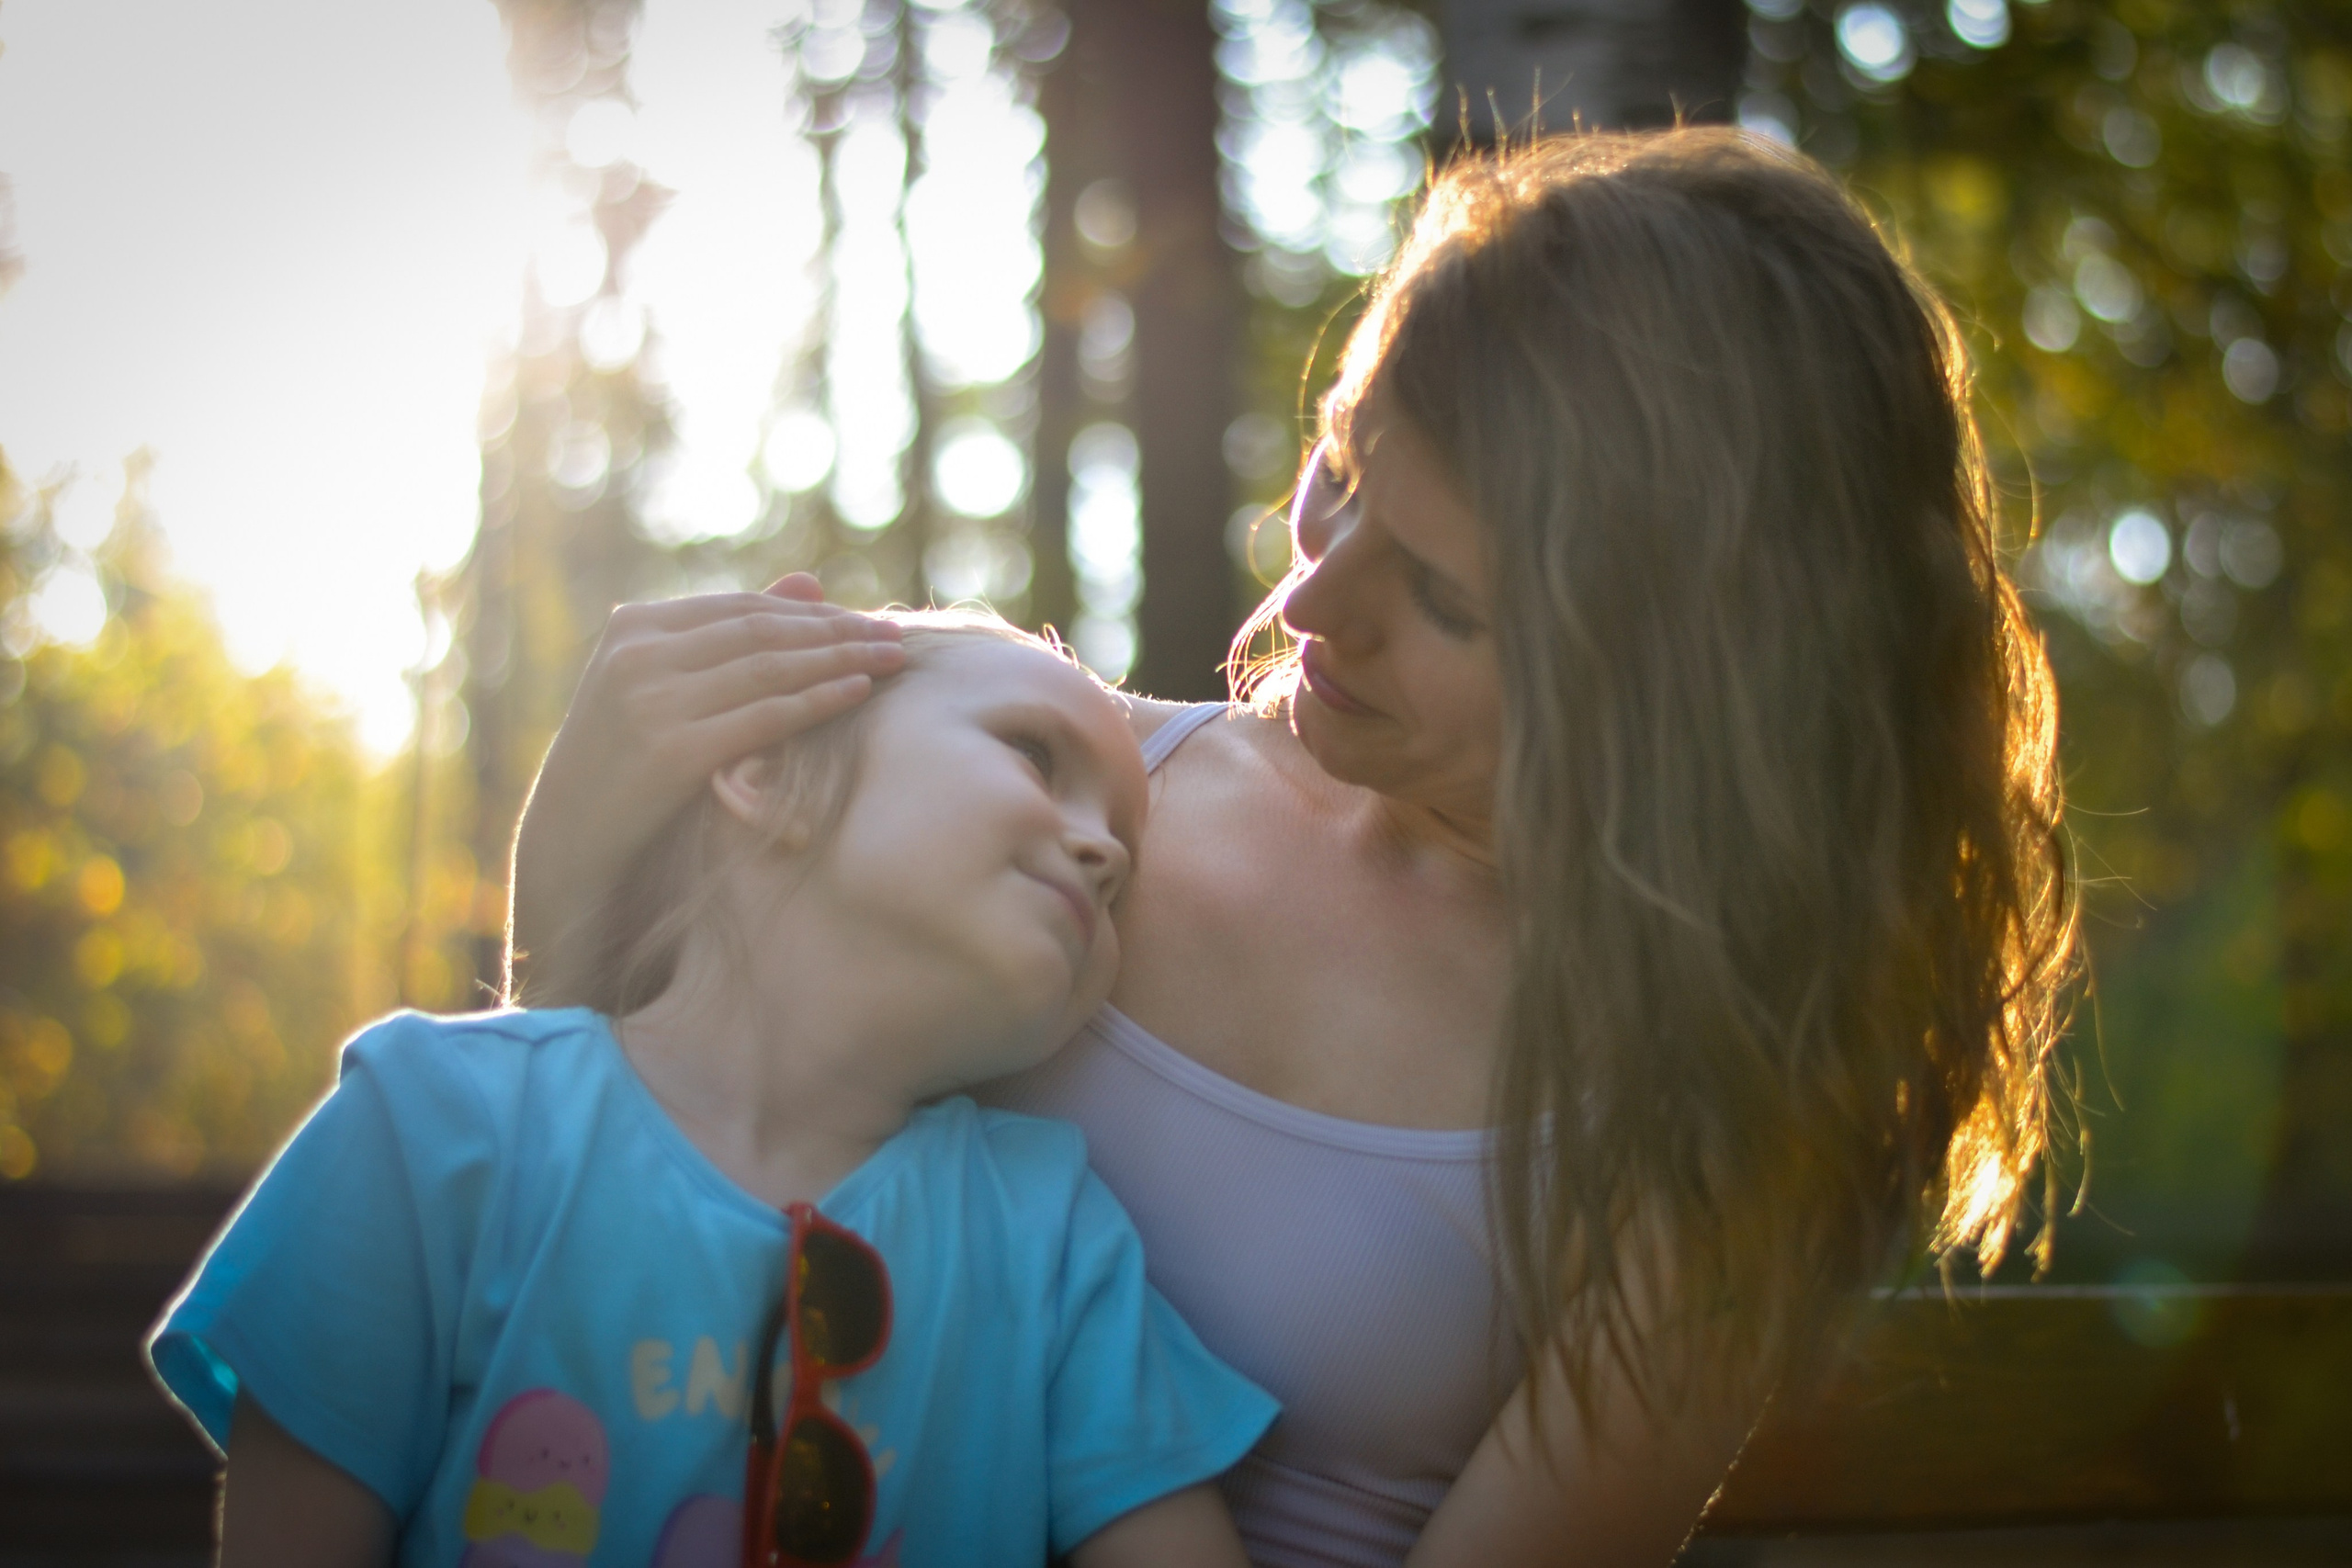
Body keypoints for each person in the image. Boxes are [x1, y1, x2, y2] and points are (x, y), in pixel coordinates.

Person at [508, 128, 2077, 1567]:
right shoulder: (1027, 773)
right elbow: (566, 1222)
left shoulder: (1715, 1109)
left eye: (1443, 597)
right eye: (1341, 467)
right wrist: (574, 859)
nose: (1314, 597)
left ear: (1675, 677)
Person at [147, 614, 1281, 1568]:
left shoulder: (1055, 1241)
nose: (1105, 854)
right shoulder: (429, 1131)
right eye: (1035, 756)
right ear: (768, 772)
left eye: (1126, 855)